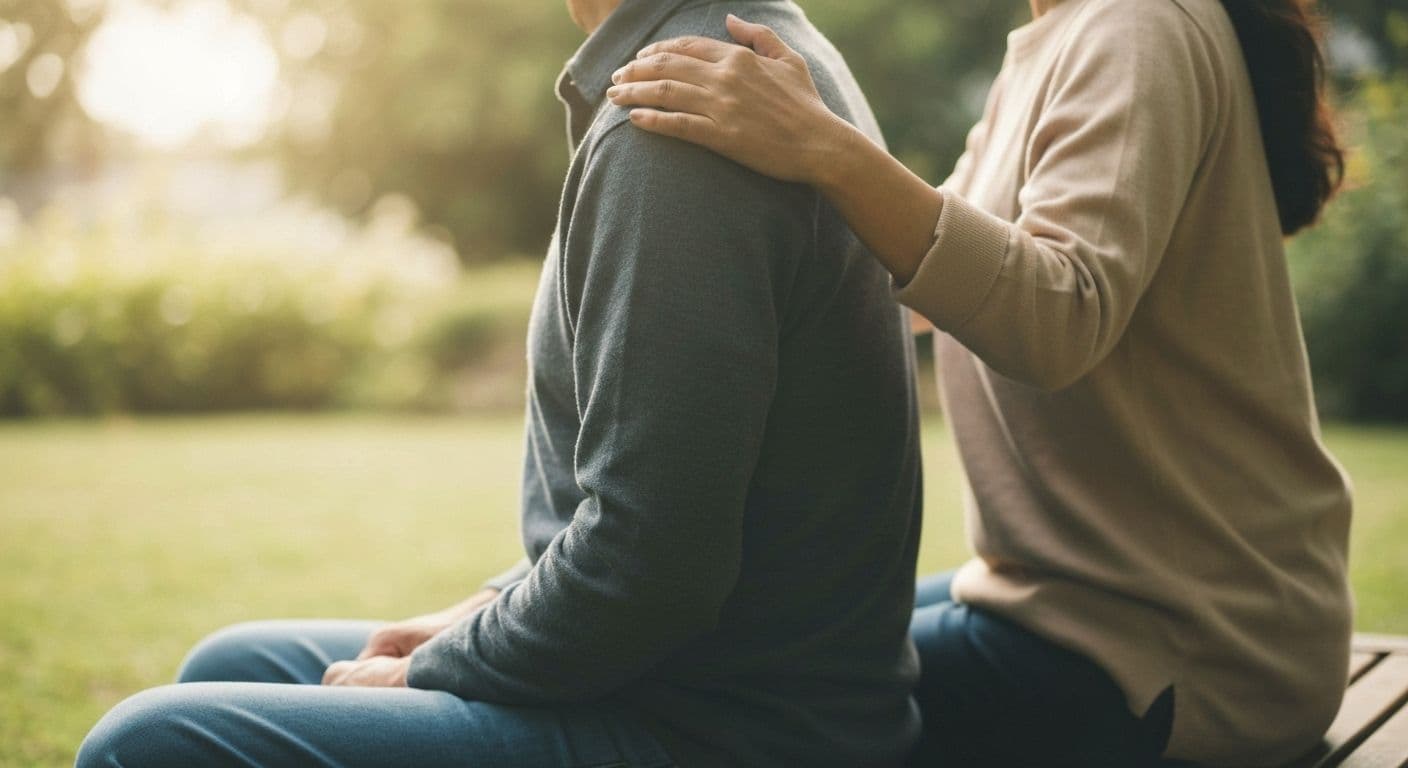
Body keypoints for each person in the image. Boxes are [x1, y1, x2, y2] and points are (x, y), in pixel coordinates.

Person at [74, 1, 925, 767]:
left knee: (148, 746)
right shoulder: (761, 51)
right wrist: (481, 611)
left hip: (716, 730)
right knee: (237, 664)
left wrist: (429, 672)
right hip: (683, 684)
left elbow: (648, 568)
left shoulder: (681, 115)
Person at [607, 0, 1352, 765]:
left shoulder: (1138, 21)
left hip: (1190, 645)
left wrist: (822, 146)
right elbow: (935, 260)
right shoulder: (1059, 37)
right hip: (1082, 600)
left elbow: (1060, 315)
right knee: (774, 635)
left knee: (756, 687)